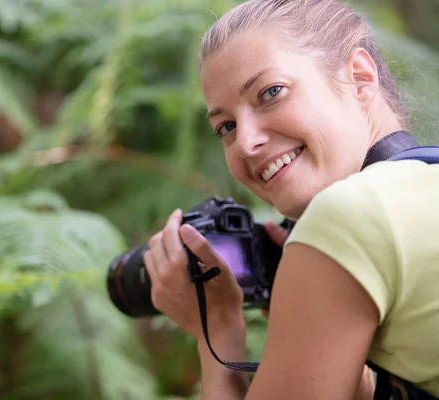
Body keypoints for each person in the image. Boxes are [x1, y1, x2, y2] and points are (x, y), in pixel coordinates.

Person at [142, 0, 439, 399]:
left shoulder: (346, 216)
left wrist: (218, 329)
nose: (246, 142)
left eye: (271, 93)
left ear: (360, 76)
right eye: (225, 126)